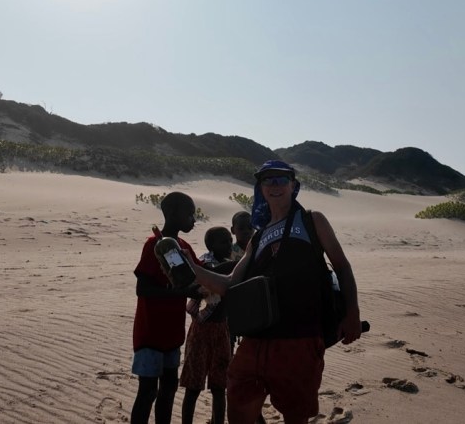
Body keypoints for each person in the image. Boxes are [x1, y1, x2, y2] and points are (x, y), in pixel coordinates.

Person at [183, 160, 362, 424]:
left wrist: (352, 313)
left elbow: (342, 267)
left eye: (281, 180)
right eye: (268, 180)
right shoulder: (259, 237)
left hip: (300, 337)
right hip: (257, 338)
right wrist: (191, 266)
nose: (274, 185)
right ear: (261, 188)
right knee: (240, 404)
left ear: (293, 185)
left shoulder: (312, 220)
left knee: (295, 415)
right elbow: (230, 284)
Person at [131, 192, 203, 424]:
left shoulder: (183, 246)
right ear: (173, 214)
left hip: (172, 335)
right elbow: (143, 289)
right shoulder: (155, 246)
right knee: (148, 390)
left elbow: (201, 273)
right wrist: (181, 292)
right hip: (150, 333)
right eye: (189, 214)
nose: (193, 219)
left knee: (169, 387)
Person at [180, 227, 235, 424]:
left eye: (230, 240)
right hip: (201, 332)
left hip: (222, 330)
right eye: (223, 242)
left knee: (220, 387)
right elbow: (202, 280)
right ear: (211, 245)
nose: (229, 245)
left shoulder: (230, 266)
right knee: (193, 387)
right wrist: (234, 266)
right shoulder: (204, 264)